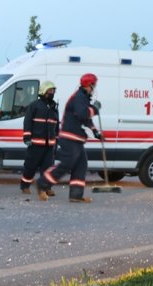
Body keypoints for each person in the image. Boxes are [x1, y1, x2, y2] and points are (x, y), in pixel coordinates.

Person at [37, 74, 103, 203]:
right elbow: (83, 114)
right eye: (93, 85)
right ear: (88, 85)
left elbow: (85, 118)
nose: (94, 88)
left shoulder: (83, 98)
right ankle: (42, 183)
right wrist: (95, 109)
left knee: (81, 166)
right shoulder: (79, 97)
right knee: (66, 164)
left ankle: (76, 195)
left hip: (76, 138)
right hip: (69, 137)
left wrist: (96, 131)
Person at [20, 81, 59, 195]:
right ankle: (25, 185)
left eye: (53, 91)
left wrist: (57, 139)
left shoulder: (54, 107)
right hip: (36, 143)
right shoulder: (35, 105)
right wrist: (27, 137)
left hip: (49, 144)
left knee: (48, 168)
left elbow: (56, 125)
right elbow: (27, 122)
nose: (52, 93)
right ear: (44, 91)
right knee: (30, 166)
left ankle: (46, 188)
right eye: (50, 91)